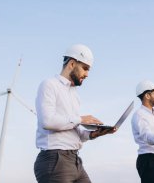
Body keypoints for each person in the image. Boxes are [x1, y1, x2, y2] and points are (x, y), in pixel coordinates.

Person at [34, 44, 116, 183]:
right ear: (72, 63)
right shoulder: (49, 85)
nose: (87, 74)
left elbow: (72, 129)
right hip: (55, 160)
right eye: (85, 68)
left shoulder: (74, 95)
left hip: (75, 160)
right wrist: (81, 118)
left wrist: (92, 134)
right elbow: (47, 121)